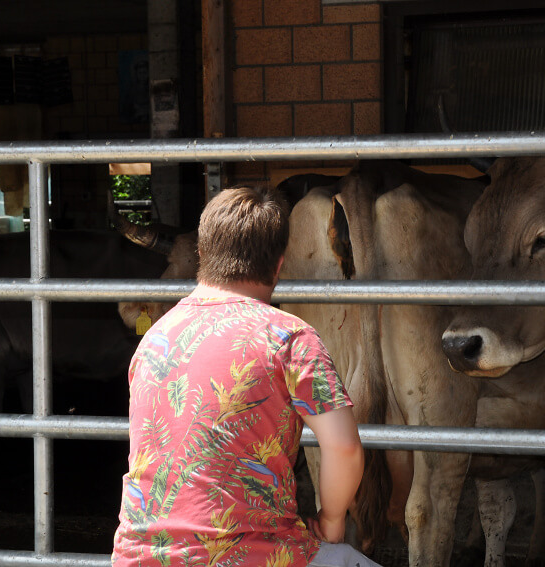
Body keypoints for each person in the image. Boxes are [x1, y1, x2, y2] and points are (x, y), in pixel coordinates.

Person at [112, 185, 381, 567]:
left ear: (202, 254)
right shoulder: (290, 338)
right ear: (280, 263)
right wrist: (332, 520)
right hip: (251, 555)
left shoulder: (155, 336)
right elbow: (344, 449)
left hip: (137, 557)